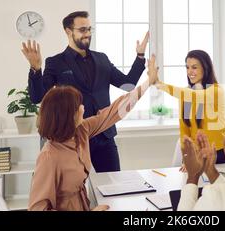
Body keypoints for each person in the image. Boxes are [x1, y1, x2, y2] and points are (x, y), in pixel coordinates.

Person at [21, 11, 149, 172]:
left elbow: (127, 85)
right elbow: (36, 97)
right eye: (82, 30)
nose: (88, 34)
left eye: (89, 29)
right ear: (68, 31)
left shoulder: (102, 58)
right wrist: (36, 68)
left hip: (104, 135)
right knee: (74, 188)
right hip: (73, 137)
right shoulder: (55, 62)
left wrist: (140, 56)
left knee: (112, 184)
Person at [27, 55, 158, 211]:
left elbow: (115, 111)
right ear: (67, 115)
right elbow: (37, 208)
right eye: (78, 106)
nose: (83, 108)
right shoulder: (49, 156)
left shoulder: (82, 130)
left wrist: (147, 83)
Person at [155, 50, 225, 167]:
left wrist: (160, 84)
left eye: (194, 67)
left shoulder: (216, 91)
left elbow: (196, 96)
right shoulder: (186, 94)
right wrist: (187, 158)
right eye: (187, 67)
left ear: (206, 68)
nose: (190, 72)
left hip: (218, 155)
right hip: (197, 155)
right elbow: (185, 131)